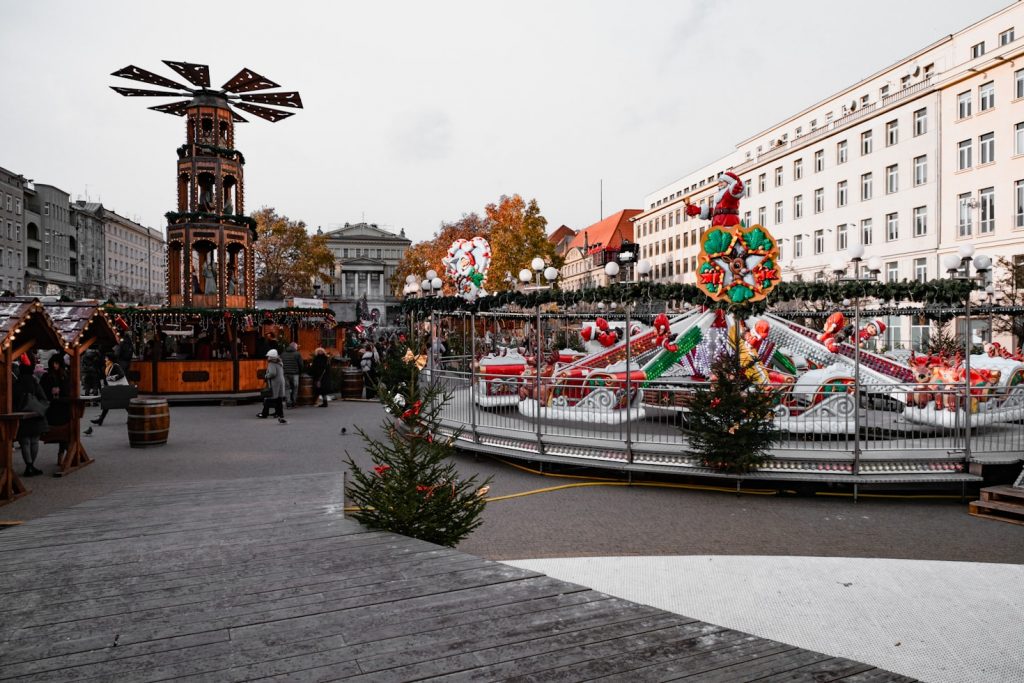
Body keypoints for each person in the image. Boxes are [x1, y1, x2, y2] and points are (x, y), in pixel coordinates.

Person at [13, 354, 48, 477]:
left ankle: (28, 465)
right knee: (34, 441)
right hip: (35, 414)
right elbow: (43, 397)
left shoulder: (16, 384)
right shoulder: (34, 382)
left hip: (21, 415)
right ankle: (32, 465)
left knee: (25, 442)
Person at [40, 353, 72, 462]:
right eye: (53, 363)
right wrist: (50, 392)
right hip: (53, 409)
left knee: (65, 432)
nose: (55, 366)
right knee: (60, 431)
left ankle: (63, 453)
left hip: (63, 407)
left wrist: (61, 393)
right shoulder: (47, 376)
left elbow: (68, 391)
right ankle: (65, 453)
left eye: (57, 363)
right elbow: (42, 392)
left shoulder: (65, 375)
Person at [258, 349, 287, 423]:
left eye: (268, 356)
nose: (267, 358)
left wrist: (266, 376)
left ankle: (264, 414)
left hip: (275, 383)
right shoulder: (279, 362)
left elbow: (272, 373)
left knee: (269, 398)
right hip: (280, 382)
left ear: (271, 357)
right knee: (279, 399)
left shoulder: (271, 363)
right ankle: (280, 414)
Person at [280, 342, 303, 408]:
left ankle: (288, 402)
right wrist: (300, 372)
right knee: (295, 387)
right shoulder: (297, 354)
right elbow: (301, 364)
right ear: (295, 347)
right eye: (296, 347)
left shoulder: (283, 354)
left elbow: (280, 363)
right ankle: (294, 401)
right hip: (295, 373)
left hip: (285, 373)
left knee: (287, 388)